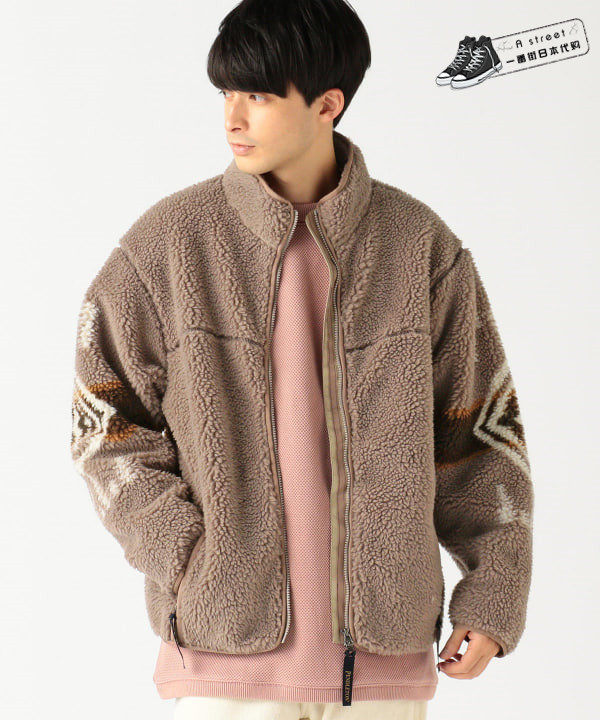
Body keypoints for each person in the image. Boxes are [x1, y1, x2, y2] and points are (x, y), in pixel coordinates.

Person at [69, 1, 534, 719]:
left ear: (327, 104)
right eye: (226, 92)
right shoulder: (167, 245)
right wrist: (188, 555)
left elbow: (481, 439)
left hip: (380, 668)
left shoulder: (421, 248)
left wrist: (492, 594)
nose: (233, 118)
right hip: (225, 664)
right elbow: (104, 426)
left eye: (258, 95)